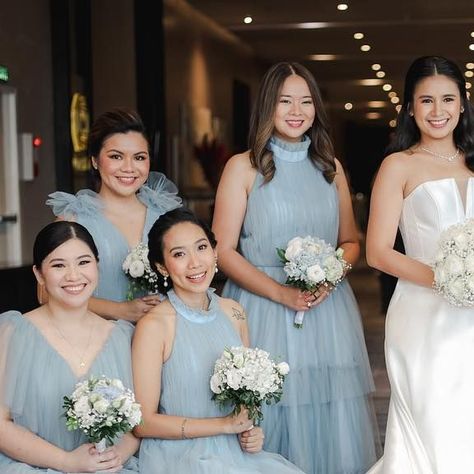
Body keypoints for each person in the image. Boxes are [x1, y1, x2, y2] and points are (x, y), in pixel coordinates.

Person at [212, 62, 378, 474]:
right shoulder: (242, 167)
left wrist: (331, 274)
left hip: (325, 311)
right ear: (267, 106)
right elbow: (223, 250)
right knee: (268, 407)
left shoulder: (331, 168)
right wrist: (282, 292)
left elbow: (351, 242)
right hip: (262, 307)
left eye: (306, 101)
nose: (296, 110)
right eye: (285, 100)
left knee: (324, 411)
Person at [132, 208, 304, 473]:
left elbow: (247, 396)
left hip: (235, 453)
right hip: (179, 457)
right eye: (179, 254)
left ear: (214, 252)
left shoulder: (234, 312)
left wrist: (251, 430)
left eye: (201, 248)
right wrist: (223, 425)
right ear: (162, 266)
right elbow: (143, 423)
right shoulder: (154, 326)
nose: (195, 263)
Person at [366, 56, 474, 472]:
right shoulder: (399, 166)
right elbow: (378, 252)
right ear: (410, 108)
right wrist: (448, 279)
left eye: (448, 99)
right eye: (425, 100)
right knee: (433, 418)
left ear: (462, 104)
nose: (437, 111)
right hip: (422, 313)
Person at [0, 221, 139, 473]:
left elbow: (137, 424)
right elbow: (1, 424)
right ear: (39, 274)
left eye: (84, 262)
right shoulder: (13, 332)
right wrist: (66, 462)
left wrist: (115, 456)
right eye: (58, 265)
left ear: (97, 265)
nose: (73, 275)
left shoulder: (122, 337)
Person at [47, 108, 181, 322]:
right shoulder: (74, 220)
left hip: (163, 339)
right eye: (116, 156)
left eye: (139, 157)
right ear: (94, 161)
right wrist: (118, 310)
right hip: (99, 340)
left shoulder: (167, 216)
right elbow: (45, 293)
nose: (129, 168)